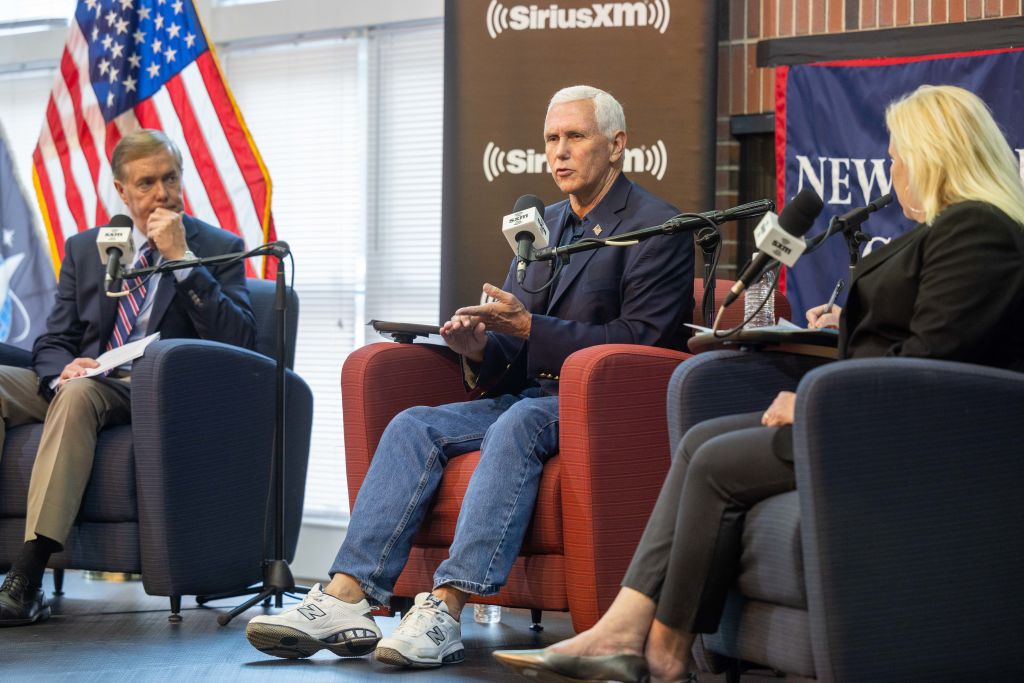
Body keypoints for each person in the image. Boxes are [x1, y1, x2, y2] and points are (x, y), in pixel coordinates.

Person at [493, 84, 1024, 683]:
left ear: (934, 154)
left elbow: (936, 355)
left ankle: (658, 650)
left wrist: (824, 400)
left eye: (899, 154)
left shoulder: (979, 229)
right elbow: (921, 329)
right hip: (867, 414)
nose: (894, 168)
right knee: (699, 442)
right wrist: (845, 323)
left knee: (716, 460)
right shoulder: (947, 234)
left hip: (901, 432)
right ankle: (632, 634)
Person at [245, 85, 694, 668]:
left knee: (524, 419)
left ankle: (444, 608)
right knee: (414, 424)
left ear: (617, 145)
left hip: (600, 409)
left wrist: (529, 328)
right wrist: (480, 346)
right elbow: (518, 352)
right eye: (551, 139)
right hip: (534, 396)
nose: (559, 151)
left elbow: (642, 343)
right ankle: (349, 596)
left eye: (575, 137)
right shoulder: (542, 226)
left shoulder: (659, 226)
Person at [0, 129, 256, 626]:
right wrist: (61, 368)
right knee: (50, 385)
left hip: (155, 389)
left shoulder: (219, 246)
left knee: (77, 397)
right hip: (86, 378)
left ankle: (26, 575)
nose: (161, 194)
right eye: (146, 184)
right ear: (121, 191)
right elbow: (54, 340)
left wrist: (183, 261)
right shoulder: (87, 248)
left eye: (170, 179)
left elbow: (240, 341)